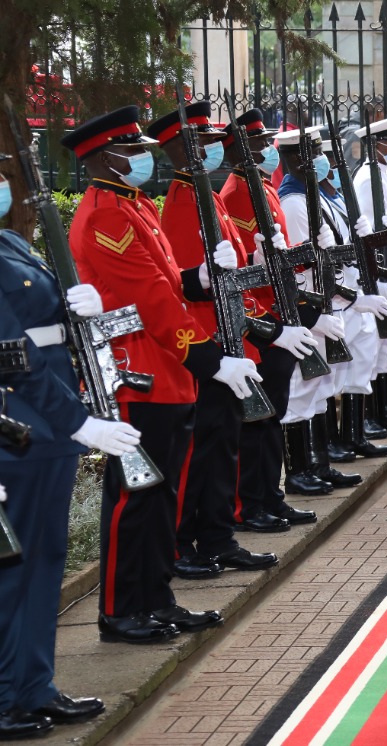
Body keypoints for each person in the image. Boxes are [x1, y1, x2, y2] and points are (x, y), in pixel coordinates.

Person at [64, 106, 255, 643]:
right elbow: (148, 300)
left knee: (161, 494)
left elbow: (169, 285)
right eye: (134, 150)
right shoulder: (106, 215)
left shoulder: (134, 207)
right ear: (106, 156)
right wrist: (210, 360)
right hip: (139, 373)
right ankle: (121, 610)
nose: (145, 157)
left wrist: (204, 273)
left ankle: (156, 597)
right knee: (135, 497)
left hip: (166, 371)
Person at [148, 103, 301, 563]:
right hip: (209, 344)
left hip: (232, 338)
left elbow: (231, 279)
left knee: (222, 449)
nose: (217, 148)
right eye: (206, 142)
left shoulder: (206, 195)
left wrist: (263, 319)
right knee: (204, 451)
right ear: (181, 149)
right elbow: (185, 286)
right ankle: (188, 543)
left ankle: (217, 538)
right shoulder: (183, 200)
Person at [0, 160, 120, 738]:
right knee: (10, 572)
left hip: (49, 432)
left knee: (44, 563)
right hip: (16, 430)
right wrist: (80, 421)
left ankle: (35, 686)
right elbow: (12, 357)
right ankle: (4, 698)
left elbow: (43, 327)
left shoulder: (8, 241)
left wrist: (76, 307)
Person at [218, 108, 326, 525]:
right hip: (260, 322)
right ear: (237, 152)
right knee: (258, 419)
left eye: (266, 142)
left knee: (273, 414)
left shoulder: (262, 188)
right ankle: (252, 503)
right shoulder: (235, 194)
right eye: (259, 145)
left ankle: (270, 496)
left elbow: (276, 262)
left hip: (279, 310)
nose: (268, 150)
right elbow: (239, 274)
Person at [275, 127, 371, 491]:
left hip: (330, 306)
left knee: (319, 389)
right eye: (308, 151)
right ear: (290, 159)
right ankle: (299, 471)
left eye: (318, 149)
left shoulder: (314, 195)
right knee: (301, 390)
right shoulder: (295, 203)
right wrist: (313, 315)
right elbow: (299, 271)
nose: (317, 157)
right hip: (311, 309)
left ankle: (319, 463)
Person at [352, 115, 387, 446]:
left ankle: (386, 409)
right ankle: (373, 413)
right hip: (378, 269)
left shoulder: (383, 174)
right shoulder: (366, 177)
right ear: (377, 145)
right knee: (377, 344)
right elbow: (367, 232)